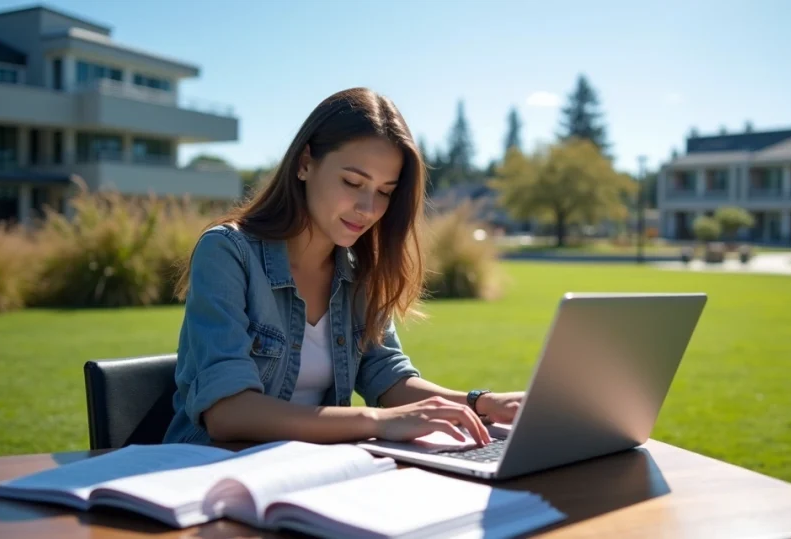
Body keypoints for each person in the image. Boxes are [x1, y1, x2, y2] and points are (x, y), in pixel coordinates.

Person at [162, 87, 523, 448]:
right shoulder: (228, 252)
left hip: (310, 473)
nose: (368, 208)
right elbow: (229, 414)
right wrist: (376, 421)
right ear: (305, 163)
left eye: (385, 191)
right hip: (209, 474)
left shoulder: (359, 270)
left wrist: (482, 404)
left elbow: (387, 376)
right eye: (353, 182)